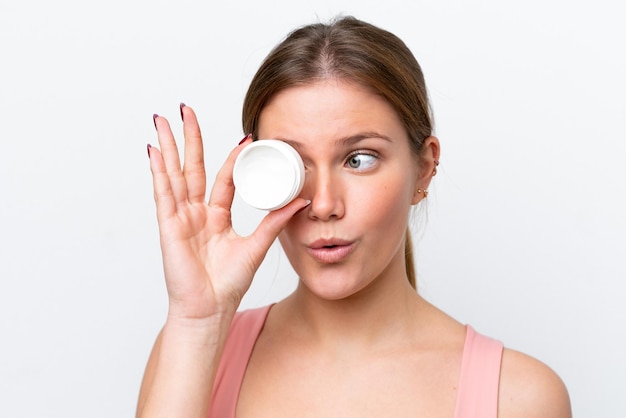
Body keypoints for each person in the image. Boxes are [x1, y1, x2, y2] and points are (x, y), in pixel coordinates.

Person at [137, 16, 571, 418]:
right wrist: (197, 323)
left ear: (424, 166)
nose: (324, 204)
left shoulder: (518, 397)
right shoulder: (193, 351)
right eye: (295, 165)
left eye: (359, 159)